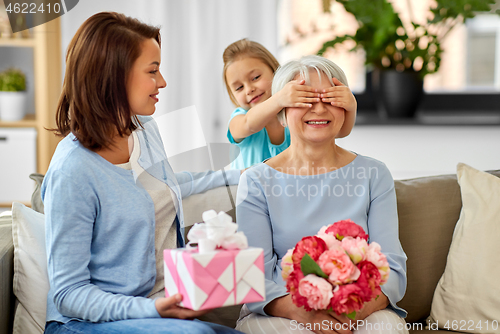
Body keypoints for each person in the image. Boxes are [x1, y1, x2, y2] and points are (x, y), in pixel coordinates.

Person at [41, 12, 243, 334]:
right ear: (114, 75)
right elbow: (69, 294)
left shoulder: (145, 130)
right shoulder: (73, 171)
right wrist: (150, 308)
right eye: (153, 71)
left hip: (155, 314)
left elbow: (170, 185)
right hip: (88, 323)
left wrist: (247, 174)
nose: (162, 82)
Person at [235, 55, 408, 334]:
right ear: (281, 110)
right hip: (281, 310)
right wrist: (307, 315)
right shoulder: (256, 181)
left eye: (330, 98)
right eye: (303, 99)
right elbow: (253, 278)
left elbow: (392, 268)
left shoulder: (374, 174)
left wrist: (354, 310)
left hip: (360, 308)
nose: (318, 108)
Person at [223, 39, 357, 170]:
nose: (249, 90)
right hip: (249, 189)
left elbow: (339, 132)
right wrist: (278, 99)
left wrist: (351, 106)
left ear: (275, 71)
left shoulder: (293, 114)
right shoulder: (240, 118)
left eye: (256, 77)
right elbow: (248, 124)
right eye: (239, 87)